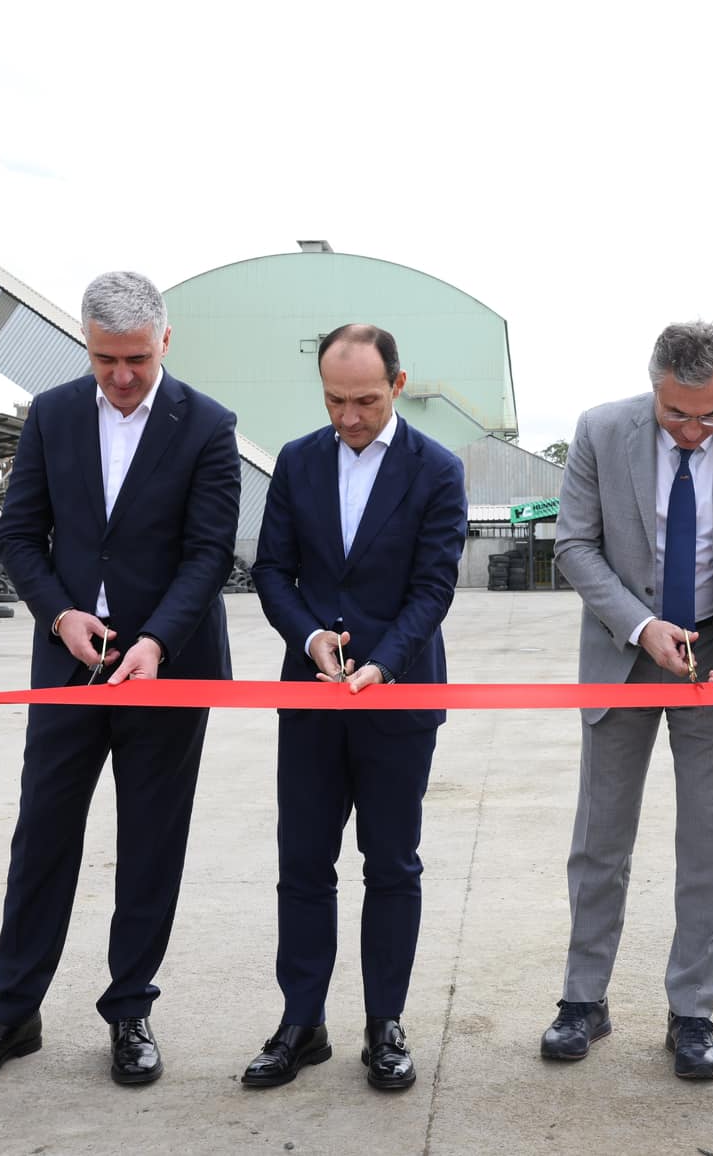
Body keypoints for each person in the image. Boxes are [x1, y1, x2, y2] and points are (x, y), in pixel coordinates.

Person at [0, 270, 241, 1088]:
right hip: (69, 664)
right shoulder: (54, 415)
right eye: (106, 359)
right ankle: (12, 1015)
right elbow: (19, 535)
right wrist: (60, 615)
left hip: (166, 671)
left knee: (150, 842)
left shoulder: (208, 425)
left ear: (165, 341)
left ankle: (130, 1010)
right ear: (86, 344)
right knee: (42, 836)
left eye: (137, 358)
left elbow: (209, 553)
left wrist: (158, 643)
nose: (122, 376)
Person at [540, 320, 713, 1082]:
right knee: (600, 839)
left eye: (711, 416)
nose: (692, 431)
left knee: (708, 843)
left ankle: (693, 1012)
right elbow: (573, 545)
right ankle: (583, 1000)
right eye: (677, 414)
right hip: (624, 648)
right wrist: (641, 625)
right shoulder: (600, 431)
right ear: (654, 386)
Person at [242, 324, 467, 1092]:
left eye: (366, 400)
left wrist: (383, 662)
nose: (349, 417)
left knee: (392, 865)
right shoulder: (298, 461)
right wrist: (310, 639)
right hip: (310, 697)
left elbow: (433, 585)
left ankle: (385, 1024)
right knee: (303, 864)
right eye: (335, 400)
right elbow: (272, 570)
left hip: (398, 700)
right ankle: (301, 1023)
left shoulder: (437, 470)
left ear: (398, 385)